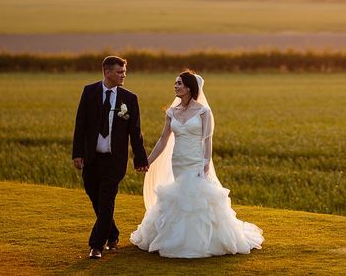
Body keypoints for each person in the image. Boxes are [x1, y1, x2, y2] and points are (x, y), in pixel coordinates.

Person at [131, 70, 263, 258]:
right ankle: (177, 237)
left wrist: (205, 162)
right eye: (175, 83)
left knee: (194, 198)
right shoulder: (172, 112)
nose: (175, 86)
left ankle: (198, 242)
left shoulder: (203, 111)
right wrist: (147, 161)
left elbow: (207, 140)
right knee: (181, 197)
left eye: (179, 83)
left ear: (189, 87)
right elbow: (163, 140)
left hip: (195, 161)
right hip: (178, 161)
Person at [72, 55, 149, 260]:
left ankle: (96, 246)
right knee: (96, 199)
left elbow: (135, 131)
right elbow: (80, 124)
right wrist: (77, 153)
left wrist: (140, 158)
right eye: (119, 72)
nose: (123, 75)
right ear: (107, 72)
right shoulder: (89, 92)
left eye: (124, 72)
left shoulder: (130, 99)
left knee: (106, 201)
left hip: (114, 161)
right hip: (91, 158)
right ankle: (112, 234)